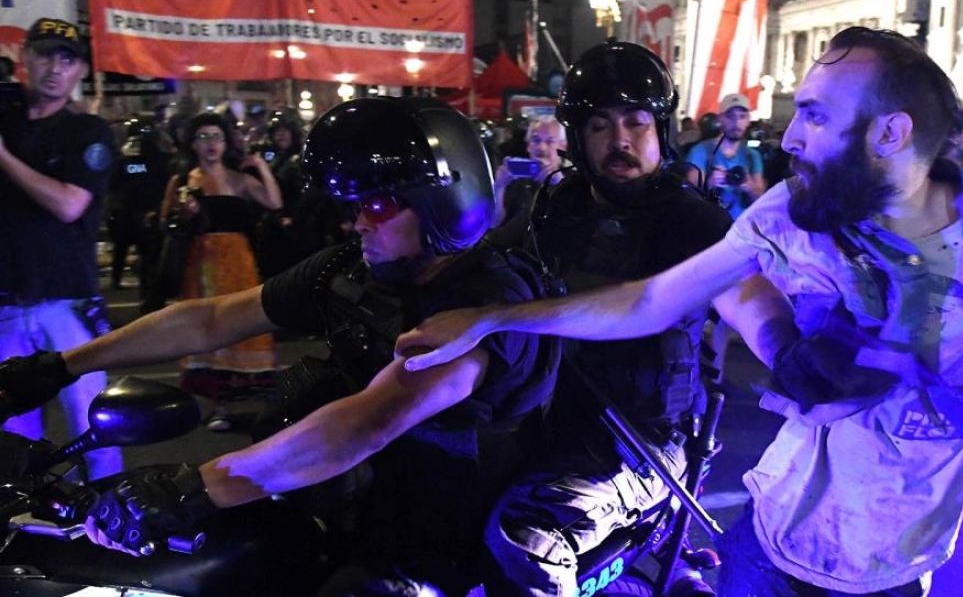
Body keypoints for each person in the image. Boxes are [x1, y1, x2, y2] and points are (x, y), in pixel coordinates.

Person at [396, 27, 963, 596]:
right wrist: (493, 320)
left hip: (913, 564)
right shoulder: (785, 216)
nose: (790, 136)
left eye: (812, 115)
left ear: (888, 134)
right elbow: (649, 301)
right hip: (765, 545)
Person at [0, 97, 558, 596]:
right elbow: (214, 317)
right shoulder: (356, 270)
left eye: (378, 206)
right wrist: (59, 366)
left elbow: (368, 421)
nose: (357, 222)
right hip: (335, 506)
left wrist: (189, 490)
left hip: (442, 538)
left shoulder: (489, 302)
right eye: (354, 205)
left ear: (442, 200)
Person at [474, 40, 737, 597]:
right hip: (547, 421)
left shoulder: (695, 224)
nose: (620, 140)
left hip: (643, 441)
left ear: (660, 130)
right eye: (599, 125)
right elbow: (481, 266)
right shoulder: (553, 209)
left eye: (636, 123)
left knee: (527, 537)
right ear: (577, 135)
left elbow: (752, 296)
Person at [0, 18, 120, 480]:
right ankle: (27, 533)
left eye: (68, 60)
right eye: (45, 54)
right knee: (14, 438)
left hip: (67, 306)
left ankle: (110, 533)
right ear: (23, 59)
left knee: (93, 426)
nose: (55, 68)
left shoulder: (86, 131)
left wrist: (4, 158)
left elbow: (70, 204)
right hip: (8, 306)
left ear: (80, 72)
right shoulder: (6, 122)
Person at [165, 112, 283, 430]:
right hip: (201, 261)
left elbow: (274, 202)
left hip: (238, 260)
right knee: (208, 326)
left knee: (244, 322)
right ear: (192, 144)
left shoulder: (239, 179)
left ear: (226, 142)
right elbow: (167, 222)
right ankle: (216, 404)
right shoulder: (182, 180)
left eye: (216, 137)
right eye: (203, 137)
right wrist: (184, 212)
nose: (211, 144)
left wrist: (260, 166)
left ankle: (253, 401)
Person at [107, 117, 172, 293]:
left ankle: (117, 281)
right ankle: (145, 285)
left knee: (123, 249)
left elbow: (112, 184)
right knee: (146, 251)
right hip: (144, 211)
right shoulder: (158, 158)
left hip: (127, 210)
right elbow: (165, 182)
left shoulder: (124, 159)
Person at [686, 93, 767, 218]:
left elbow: (762, 203)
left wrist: (749, 186)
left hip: (740, 231)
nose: (737, 122)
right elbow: (688, 199)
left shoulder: (753, 156)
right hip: (710, 229)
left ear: (748, 120)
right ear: (721, 119)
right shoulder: (701, 151)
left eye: (742, 116)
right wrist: (710, 183)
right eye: (730, 116)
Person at [253, 108, 307, 278]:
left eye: (285, 130)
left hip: (293, 230)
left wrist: (293, 219)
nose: (280, 135)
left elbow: (307, 194)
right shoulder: (277, 158)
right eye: (277, 130)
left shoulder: (301, 159)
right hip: (275, 226)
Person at [491, 115, 565, 227]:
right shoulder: (514, 178)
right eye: (536, 140)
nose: (541, 147)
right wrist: (499, 187)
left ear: (562, 147)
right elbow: (494, 223)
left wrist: (561, 185)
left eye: (549, 142)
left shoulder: (574, 181)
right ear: (528, 146)